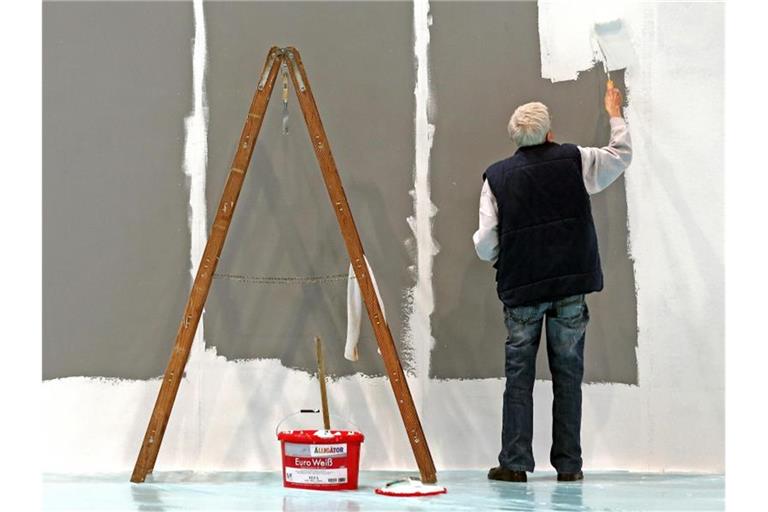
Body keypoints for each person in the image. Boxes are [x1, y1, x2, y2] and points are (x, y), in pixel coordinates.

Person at [473, 84, 632, 483]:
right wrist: (615, 112)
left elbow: (485, 242)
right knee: (568, 375)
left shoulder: (496, 178)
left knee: (519, 378)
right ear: (548, 133)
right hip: (568, 288)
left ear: (516, 137)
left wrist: (507, 254)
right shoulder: (574, 159)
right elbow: (620, 157)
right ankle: (569, 466)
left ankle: (514, 464)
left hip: (522, 289)